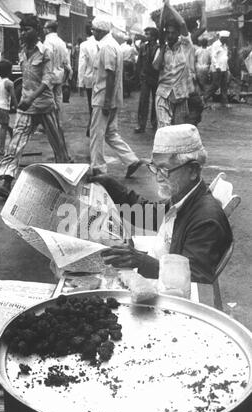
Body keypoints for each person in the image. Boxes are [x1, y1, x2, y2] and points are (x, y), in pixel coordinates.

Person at [90, 124, 233, 284]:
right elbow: (148, 215)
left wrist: (141, 261)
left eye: (164, 169)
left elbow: (196, 281)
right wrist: (112, 186)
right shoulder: (183, 196)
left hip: (169, 291)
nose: (157, 177)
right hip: (159, 266)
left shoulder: (206, 220)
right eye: (155, 168)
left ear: (192, 171)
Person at [0, 15, 70, 200]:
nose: (23, 33)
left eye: (27, 29)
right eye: (21, 30)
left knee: (58, 146)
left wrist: (32, 96)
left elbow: (48, 79)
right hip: (26, 107)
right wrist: (24, 98)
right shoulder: (23, 51)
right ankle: (6, 183)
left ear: (37, 31)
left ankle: (68, 180)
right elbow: (25, 78)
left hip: (44, 106)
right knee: (15, 144)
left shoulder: (46, 51)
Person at [90, 17, 144, 178]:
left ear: (100, 31)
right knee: (110, 133)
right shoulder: (113, 45)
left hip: (104, 97)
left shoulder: (106, 46)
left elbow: (110, 75)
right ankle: (131, 159)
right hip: (112, 97)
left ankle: (98, 168)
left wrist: (106, 101)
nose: (92, 32)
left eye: (94, 30)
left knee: (97, 134)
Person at [153, 1, 194, 129]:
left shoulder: (186, 47)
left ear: (178, 34)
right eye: (168, 33)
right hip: (163, 94)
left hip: (181, 94)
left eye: (173, 33)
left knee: (178, 132)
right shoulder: (163, 49)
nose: (170, 35)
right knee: (164, 131)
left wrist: (168, 5)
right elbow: (156, 67)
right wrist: (162, 49)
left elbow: (182, 23)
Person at [43, 20, 72, 112]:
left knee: (49, 100)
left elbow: (47, 58)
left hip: (49, 74)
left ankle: (52, 123)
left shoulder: (47, 42)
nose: (43, 30)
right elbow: (66, 61)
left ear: (48, 29)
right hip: (60, 74)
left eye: (45, 28)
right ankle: (57, 122)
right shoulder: (61, 42)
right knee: (58, 98)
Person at [134, 27, 159, 133]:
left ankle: (155, 123)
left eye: (148, 34)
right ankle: (141, 124)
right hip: (145, 77)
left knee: (156, 103)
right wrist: (138, 76)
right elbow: (139, 62)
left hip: (156, 78)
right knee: (143, 102)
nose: (146, 36)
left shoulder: (159, 47)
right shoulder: (143, 47)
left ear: (153, 36)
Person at [0, 60, 18, 155]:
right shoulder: (9, 83)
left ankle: (0, 143)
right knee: (4, 127)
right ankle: (2, 149)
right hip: (3, 108)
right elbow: (13, 97)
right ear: (9, 71)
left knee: (4, 125)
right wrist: (17, 107)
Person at [78, 24, 98, 137]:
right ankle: (94, 127)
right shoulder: (103, 43)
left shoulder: (84, 45)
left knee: (91, 106)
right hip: (101, 79)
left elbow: (82, 65)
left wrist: (80, 83)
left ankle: (91, 127)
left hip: (90, 79)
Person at [204, 31, 230, 106]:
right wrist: (217, 66)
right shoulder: (216, 45)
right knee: (215, 85)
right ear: (222, 38)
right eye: (226, 39)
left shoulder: (224, 46)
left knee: (224, 86)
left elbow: (224, 57)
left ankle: (224, 102)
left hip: (224, 68)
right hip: (217, 69)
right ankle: (204, 98)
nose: (227, 40)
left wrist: (227, 68)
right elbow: (213, 56)